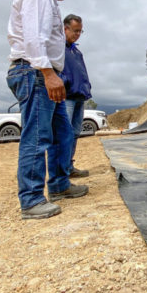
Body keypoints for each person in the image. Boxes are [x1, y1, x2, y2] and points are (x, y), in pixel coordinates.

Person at [6, 0, 89, 220]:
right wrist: (48, 74)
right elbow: (33, 38)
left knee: (62, 133)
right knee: (38, 137)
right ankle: (30, 200)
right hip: (35, 72)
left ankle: (59, 185)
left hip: (43, 72)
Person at [61, 14, 92, 178]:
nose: (78, 34)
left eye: (80, 31)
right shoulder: (58, 48)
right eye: (75, 31)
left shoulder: (76, 51)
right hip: (67, 97)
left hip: (79, 97)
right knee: (65, 134)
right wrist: (65, 82)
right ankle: (61, 171)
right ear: (65, 28)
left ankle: (69, 166)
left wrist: (87, 87)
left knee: (74, 133)